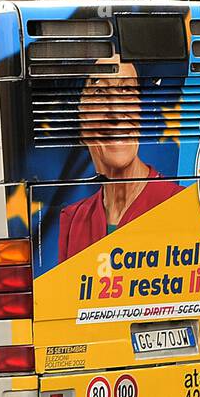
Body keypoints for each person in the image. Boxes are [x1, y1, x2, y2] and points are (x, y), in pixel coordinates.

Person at [58, 76, 183, 262]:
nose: (116, 114)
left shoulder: (179, 206)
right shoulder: (72, 219)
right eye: (99, 92)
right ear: (80, 121)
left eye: (126, 90)